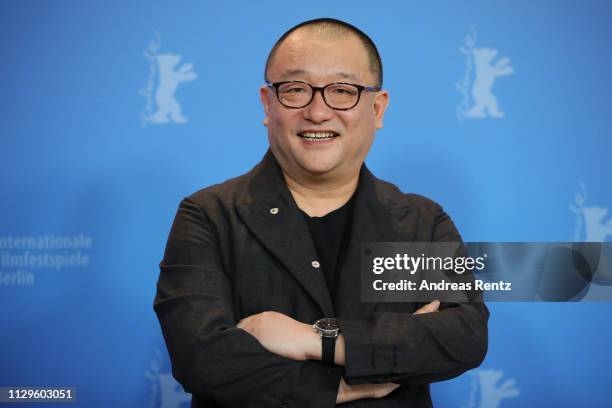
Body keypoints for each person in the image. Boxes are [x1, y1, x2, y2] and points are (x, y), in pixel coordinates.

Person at [154, 18, 489, 407]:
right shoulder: (210, 215)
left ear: (377, 109)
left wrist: (318, 341)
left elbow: (462, 337)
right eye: (295, 90)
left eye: (342, 91)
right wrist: (337, 388)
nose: (317, 112)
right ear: (267, 104)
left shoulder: (418, 221)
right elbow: (203, 358)